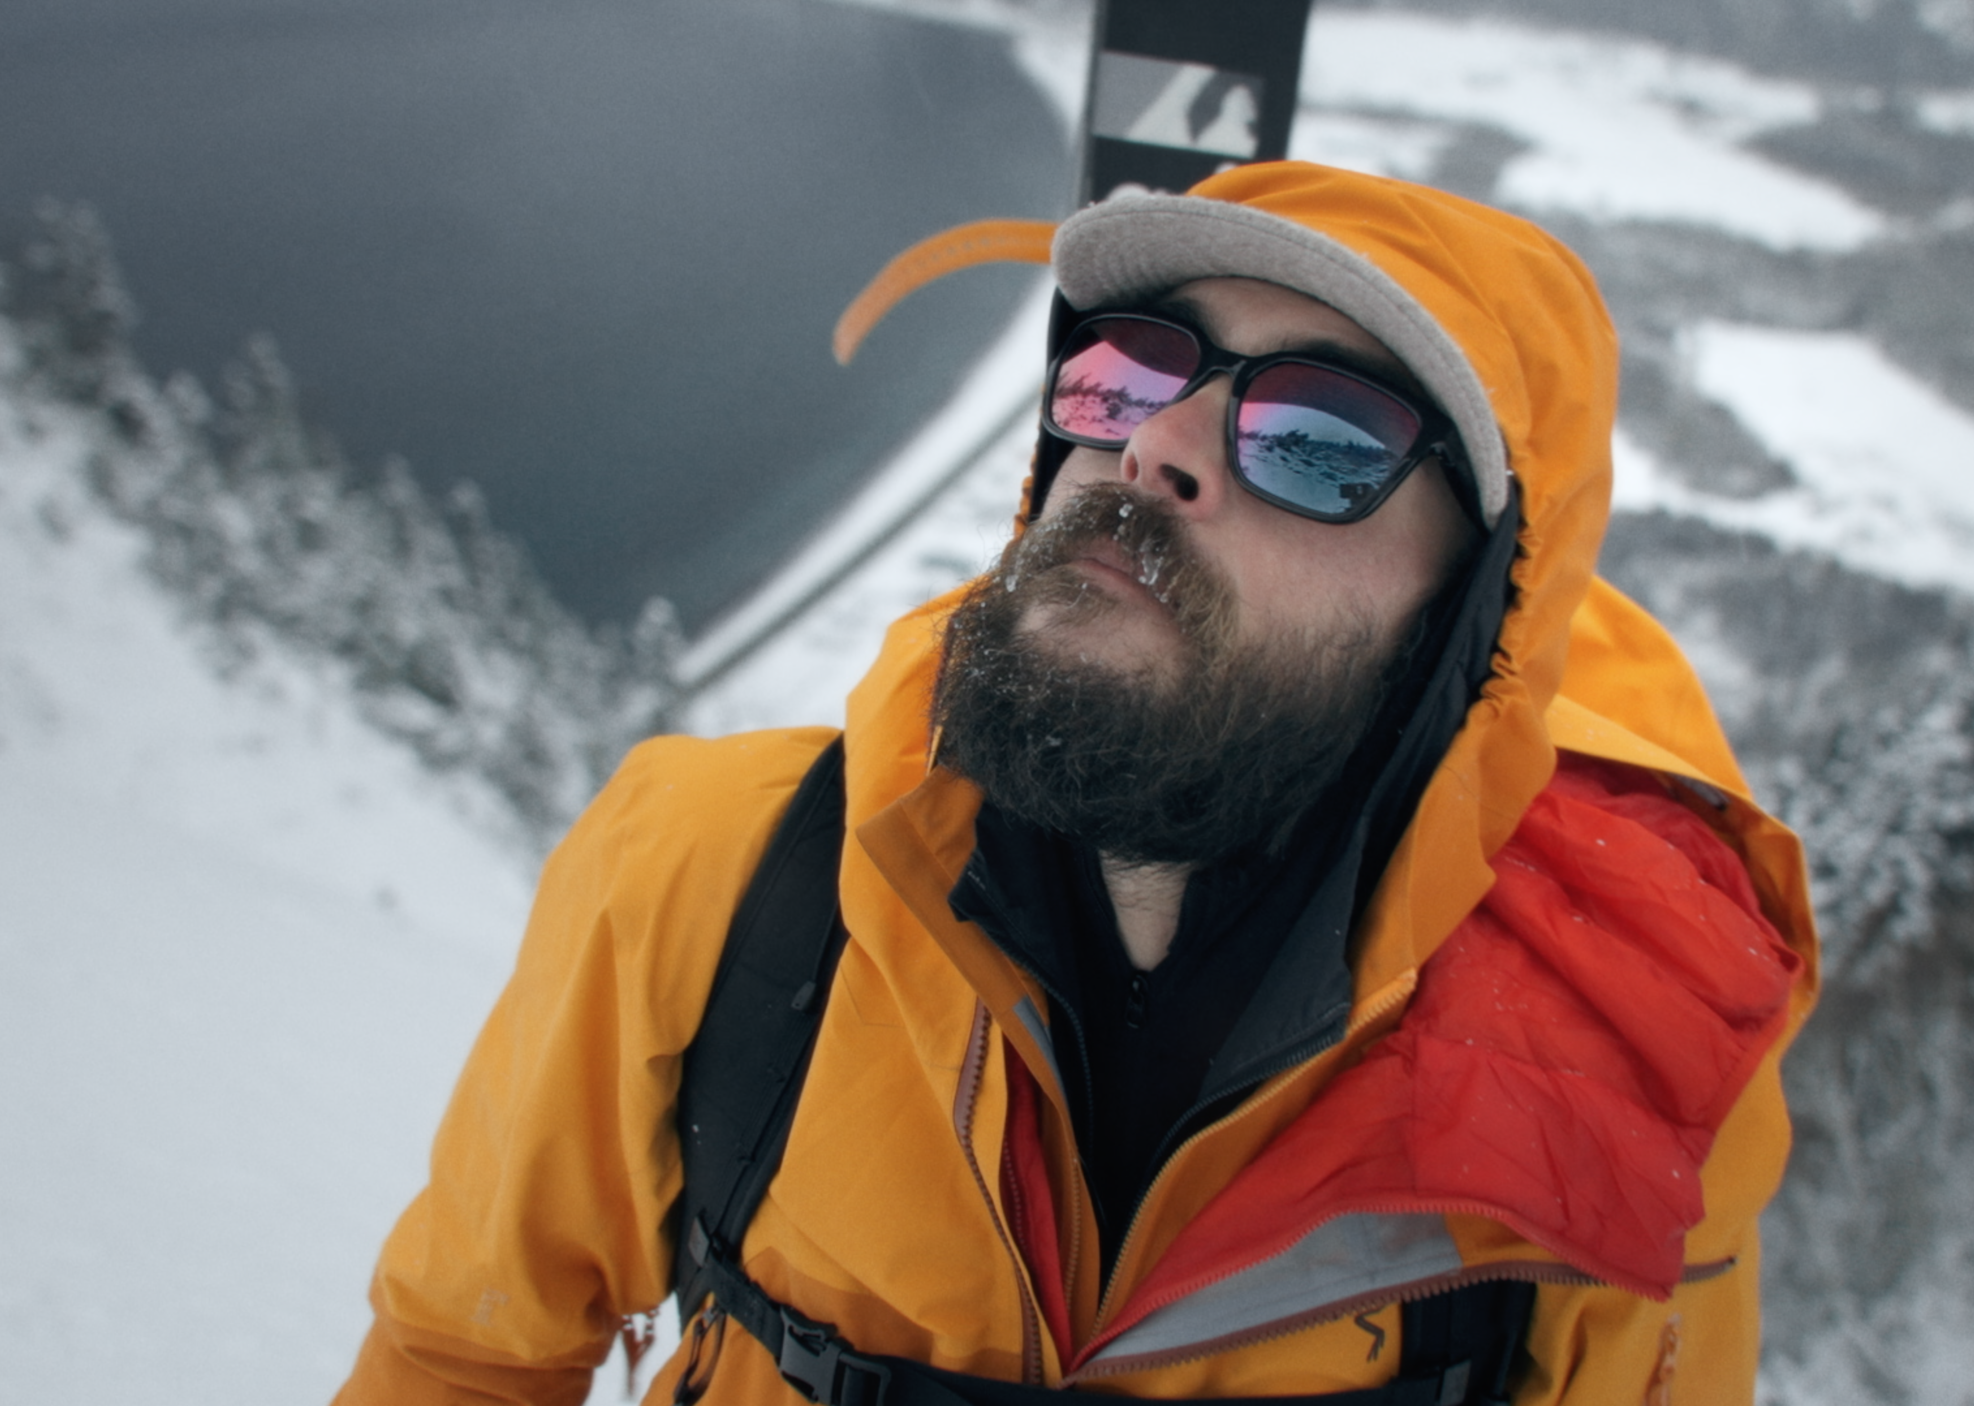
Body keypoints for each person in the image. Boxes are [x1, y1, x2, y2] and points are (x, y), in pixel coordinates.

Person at [334, 162, 1819, 1406]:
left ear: (1467, 617)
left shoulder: (1605, 1085)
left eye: (1317, 439)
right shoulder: (712, 874)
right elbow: (463, 1358)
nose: (1153, 445)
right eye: (1126, 374)